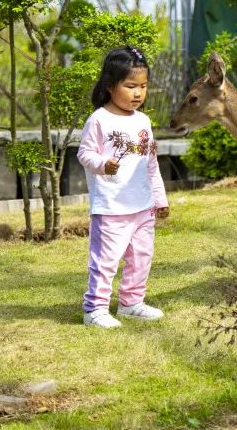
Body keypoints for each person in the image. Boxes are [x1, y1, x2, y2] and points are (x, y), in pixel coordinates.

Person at [77, 47, 169, 329]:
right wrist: (103, 164)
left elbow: (150, 163)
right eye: (130, 86)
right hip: (111, 206)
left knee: (141, 257)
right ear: (110, 86)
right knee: (105, 261)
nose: (138, 93)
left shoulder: (143, 121)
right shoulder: (99, 120)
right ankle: (95, 309)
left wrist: (159, 198)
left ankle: (131, 303)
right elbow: (84, 153)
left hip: (142, 206)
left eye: (143, 86)